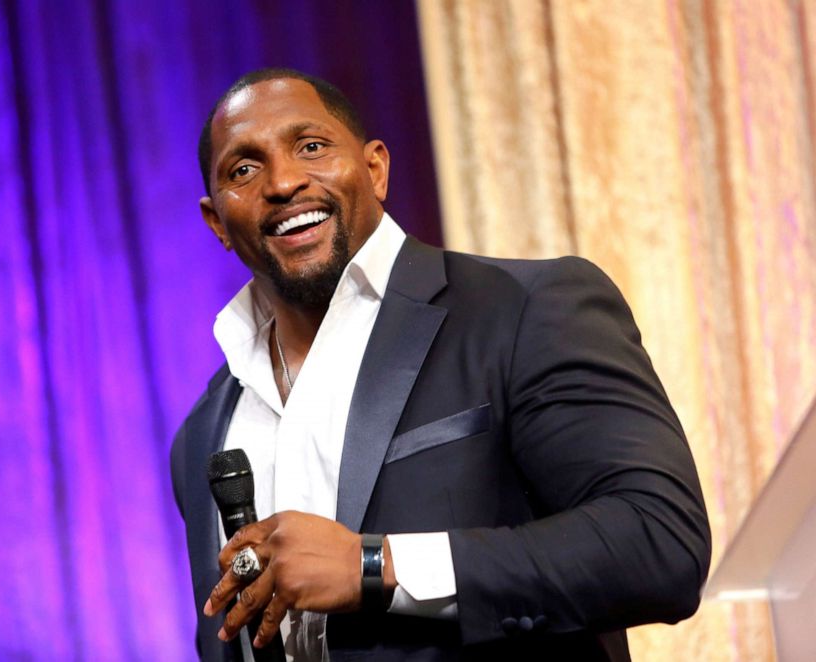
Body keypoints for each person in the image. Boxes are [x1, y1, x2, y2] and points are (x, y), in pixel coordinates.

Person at [170, 68, 711, 661]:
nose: (284, 181)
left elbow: (659, 544)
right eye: (243, 170)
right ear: (217, 221)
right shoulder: (204, 432)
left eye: (311, 146)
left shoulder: (525, 308)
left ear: (375, 170)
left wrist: (375, 565)